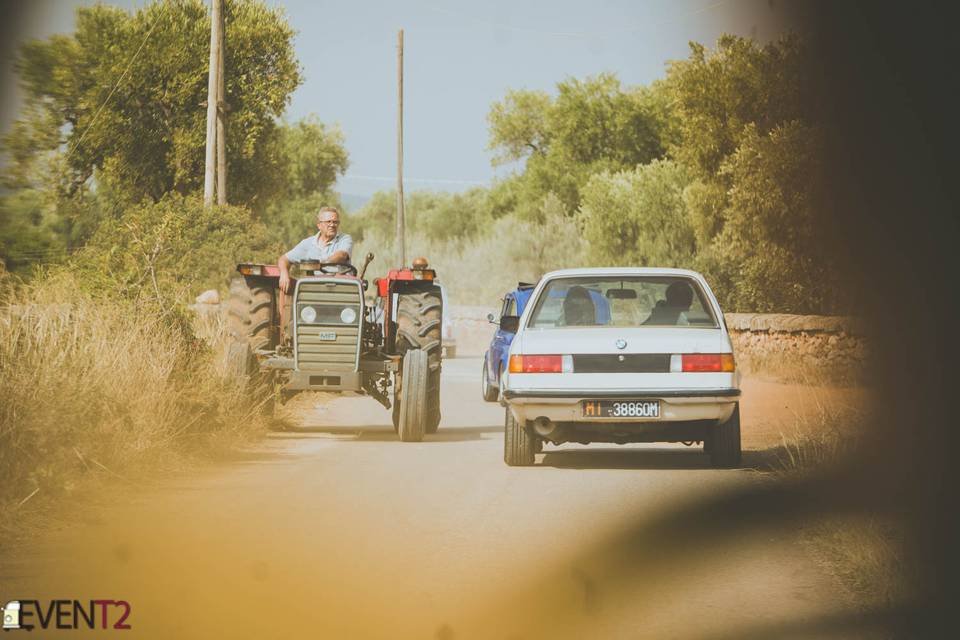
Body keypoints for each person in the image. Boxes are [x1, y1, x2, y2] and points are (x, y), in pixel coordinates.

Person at [278, 206, 353, 293]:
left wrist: (319, 264)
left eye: (335, 222)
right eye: (328, 222)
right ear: (319, 225)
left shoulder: (345, 239)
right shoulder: (308, 243)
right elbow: (283, 259)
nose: (332, 225)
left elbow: (341, 256)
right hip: (316, 289)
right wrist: (284, 274)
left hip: (341, 288)